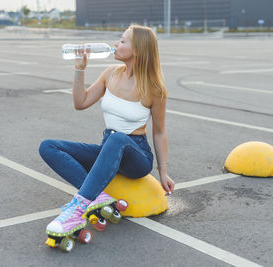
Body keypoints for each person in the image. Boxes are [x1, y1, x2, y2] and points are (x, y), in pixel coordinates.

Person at [39, 25, 175, 237]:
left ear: (138, 50)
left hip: (135, 156)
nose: (115, 44)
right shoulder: (110, 74)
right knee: (48, 146)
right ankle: (98, 197)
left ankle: (78, 208)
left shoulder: (154, 89)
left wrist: (163, 172)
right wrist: (79, 68)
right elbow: (80, 102)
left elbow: (159, 131)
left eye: (122, 41)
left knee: (118, 139)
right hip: (108, 148)